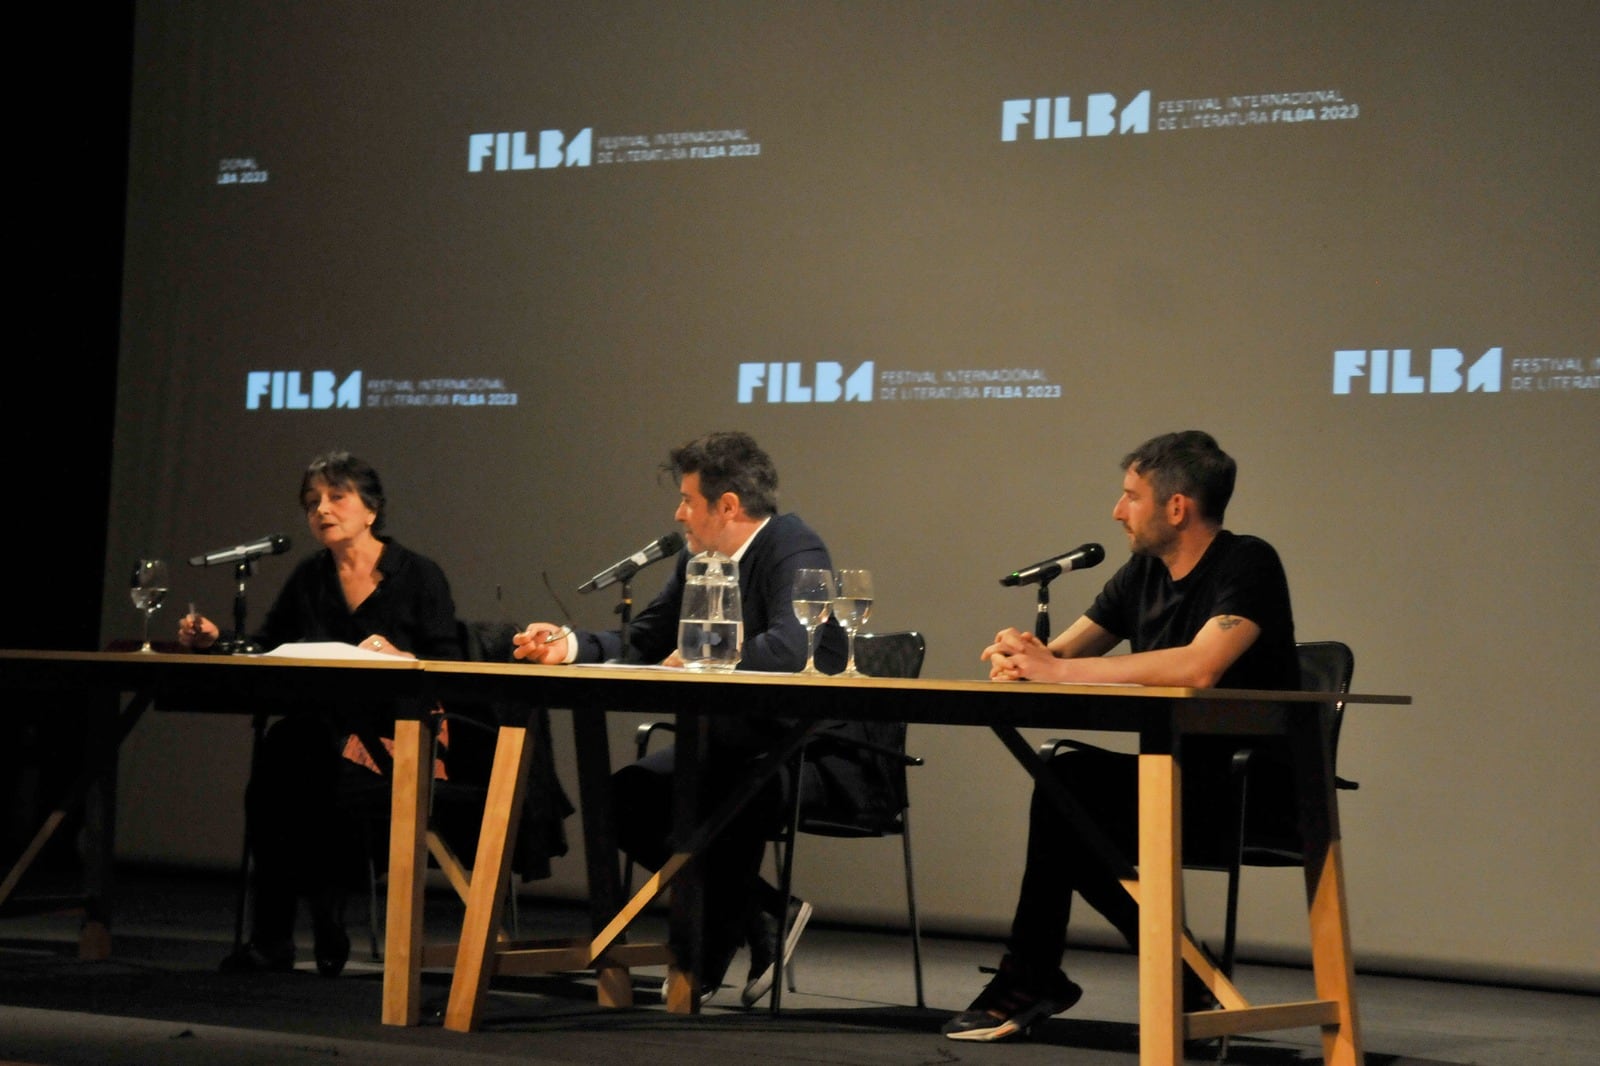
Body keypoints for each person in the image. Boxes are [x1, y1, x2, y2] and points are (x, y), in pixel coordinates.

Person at [943, 430, 1300, 1042]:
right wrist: (1023, 655)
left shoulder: (1248, 562)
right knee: (1063, 784)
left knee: (1065, 791)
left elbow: (1200, 666)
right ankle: (1085, 975)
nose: (1117, 511)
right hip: (1170, 776)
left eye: (1130, 496)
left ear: (1177, 506)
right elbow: (1067, 652)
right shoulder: (1142, 573)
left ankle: (1041, 979)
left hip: (1247, 791)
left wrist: (1055, 669)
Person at [512, 430, 845, 1006]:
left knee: (717, 797)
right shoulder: (700, 560)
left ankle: (706, 958)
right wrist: (565, 646)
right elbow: (645, 638)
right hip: (732, 742)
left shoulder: (794, 546)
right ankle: (765, 911)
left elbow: (793, 652)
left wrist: (711, 652)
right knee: (617, 803)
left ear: (729, 507)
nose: (678, 513)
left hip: (807, 745)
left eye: (688, 500)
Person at [179, 451, 462, 977]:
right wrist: (219, 640)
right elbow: (268, 645)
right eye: (312, 503)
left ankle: (297, 925)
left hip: (398, 736)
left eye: (337, 497)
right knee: (285, 763)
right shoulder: (310, 576)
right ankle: (297, 926)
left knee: (300, 766)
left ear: (371, 509)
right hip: (319, 733)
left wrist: (402, 658)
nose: (322, 510)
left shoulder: (418, 574)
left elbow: (451, 660)